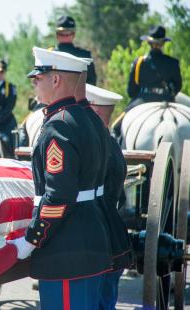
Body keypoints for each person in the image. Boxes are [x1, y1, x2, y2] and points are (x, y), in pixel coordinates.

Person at [8, 47, 112, 309]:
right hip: (93, 241)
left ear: (55, 80)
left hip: (66, 251)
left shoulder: (59, 125)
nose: (34, 83)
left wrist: (32, 238)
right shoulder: (90, 118)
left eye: (38, 78)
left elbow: (58, 196)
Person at [86, 84, 132, 309]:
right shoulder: (111, 145)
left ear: (93, 111)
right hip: (113, 234)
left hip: (95, 237)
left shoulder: (94, 147)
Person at [126, 25, 182, 111]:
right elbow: (178, 86)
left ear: (149, 43)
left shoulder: (139, 62)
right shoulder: (173, 63)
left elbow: (131, 91)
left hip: (142, 99)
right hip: (166, 99)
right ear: (163, 43)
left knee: (119, 122)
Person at [53, 15, 97, 85]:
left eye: (68, 33)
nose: (65, 36)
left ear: (73, 34)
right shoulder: (49, 55)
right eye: (62, 33)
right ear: (57, 35)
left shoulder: (84, 56)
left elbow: (91, 82)